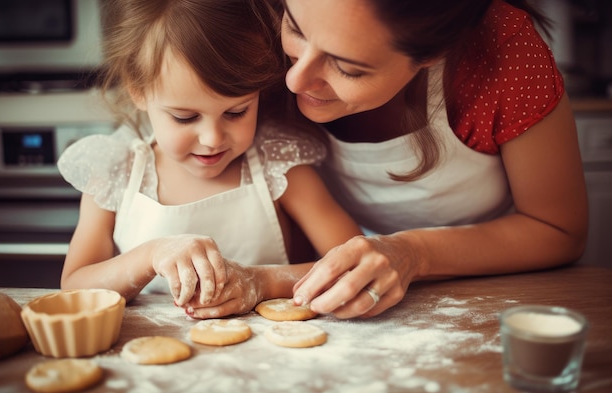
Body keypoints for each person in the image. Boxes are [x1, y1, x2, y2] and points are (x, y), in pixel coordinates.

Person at [181, 0, 588, 320]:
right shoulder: (246, 23)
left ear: (433, 53)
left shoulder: (503, 52)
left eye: (347, 68)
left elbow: (557, 229)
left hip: (488, 291)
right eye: (295, 29)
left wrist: (412, 253)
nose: (295, 80)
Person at [57, 0, 361, 307]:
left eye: (237, 112)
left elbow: (354, 264)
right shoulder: (115, 171)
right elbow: (74, 287)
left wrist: (261, 283)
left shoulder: (279, 166)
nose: (212, 139)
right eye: (185, 117)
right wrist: (150, 256)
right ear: (138, 90)